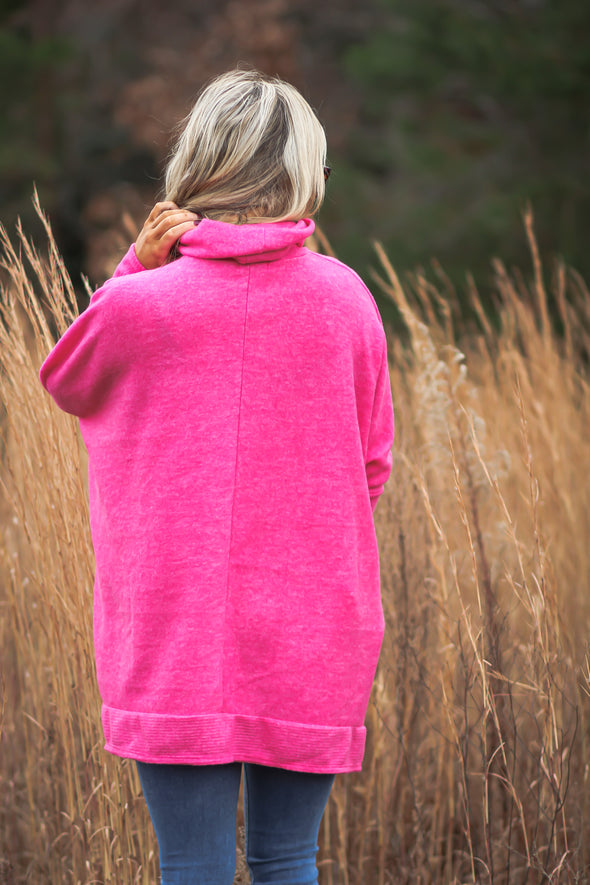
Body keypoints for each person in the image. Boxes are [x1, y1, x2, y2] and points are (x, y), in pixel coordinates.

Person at [39, 69, 395, 885]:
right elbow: (370, 466)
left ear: (198, 168)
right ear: (302, 174)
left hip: (173, 629)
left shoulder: (139, 306)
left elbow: (66, 378)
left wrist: (135, 263)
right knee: (286, 861)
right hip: (315, 628)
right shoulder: (347, 302)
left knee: (192, 865)